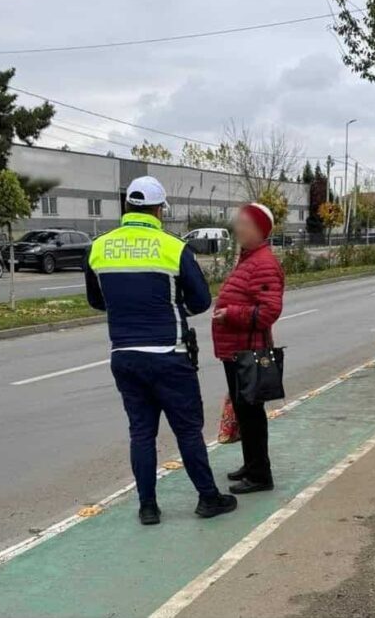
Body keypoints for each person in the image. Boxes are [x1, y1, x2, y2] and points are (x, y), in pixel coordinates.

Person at [85, 176, 237, 525]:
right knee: (187, 429)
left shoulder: (98, 247)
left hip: (124, 354)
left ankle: (148, 507)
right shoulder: (172, 247)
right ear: (158, 209)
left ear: (127, 207)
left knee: (141, 432)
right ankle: (207, 498)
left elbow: (97, 300)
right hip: (170, 353)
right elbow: (200, 301)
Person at [212, 203, 285, 494]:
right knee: (245, 412)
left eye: (243, 223)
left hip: (248, 352)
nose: (237, 228)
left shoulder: (263, 263)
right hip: (237, 351)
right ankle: (251, 464)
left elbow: (268, 311)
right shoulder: (249, 258)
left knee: (252, 414)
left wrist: (230, 314)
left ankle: (259, 475)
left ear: (258, 230)